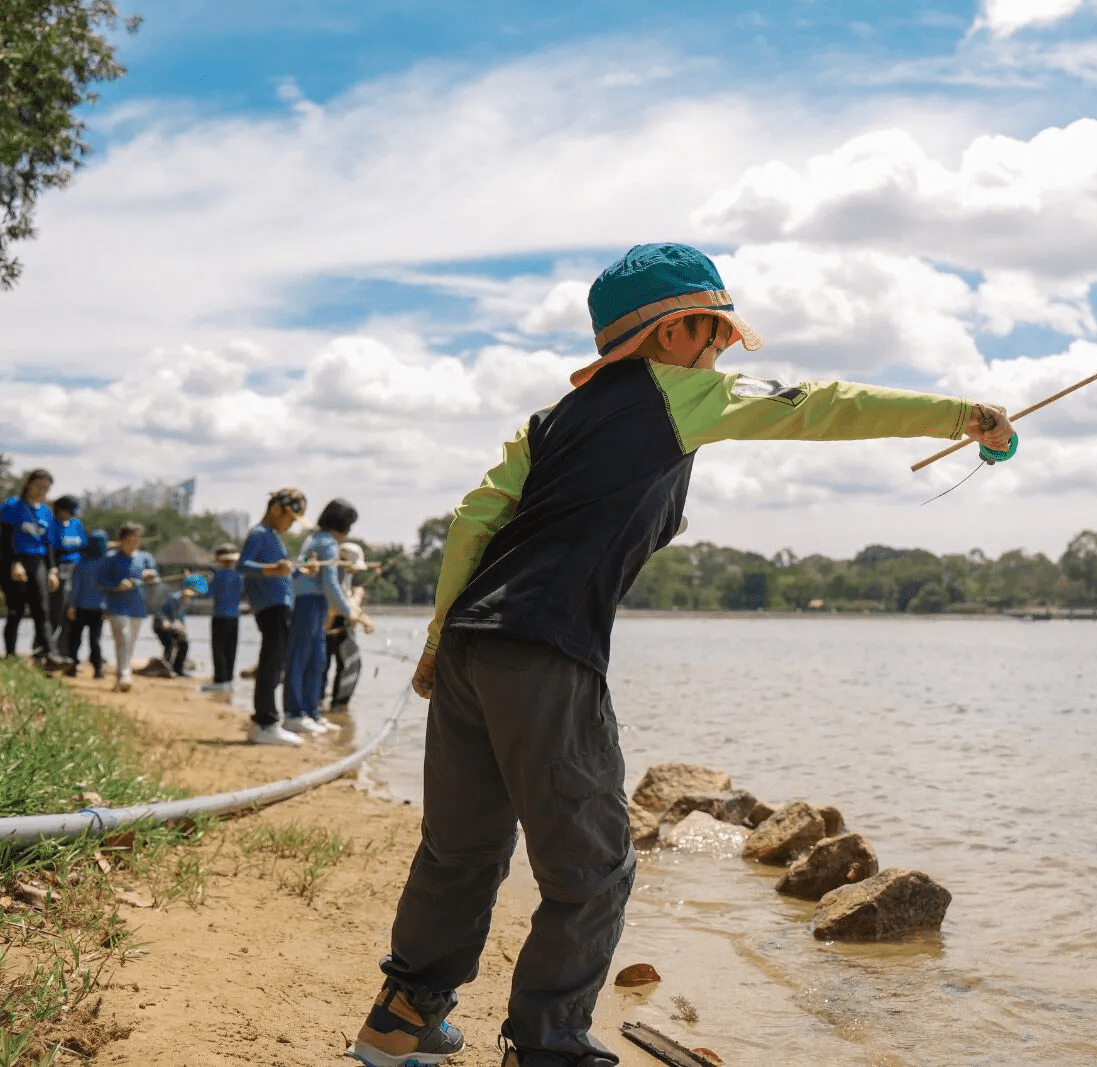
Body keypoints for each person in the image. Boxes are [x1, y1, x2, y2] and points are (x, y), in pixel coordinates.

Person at [348, 243, 1018, 1067]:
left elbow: (471, 522)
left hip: (468, 649)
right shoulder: (683, 393)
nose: (726, 349)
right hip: (547, 651)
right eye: (718, 332)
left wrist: (435, 638)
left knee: (461, 849)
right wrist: (961, 412)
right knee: (595, 868)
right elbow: (823, 404)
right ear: (673, 333)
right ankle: (547, 1046)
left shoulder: (545, 424)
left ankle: (402, 1019)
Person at [283, 498, 357, 735]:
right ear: (342, 524)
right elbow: (330, 583)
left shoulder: (314, 539)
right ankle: (294, 714)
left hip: (314, 603)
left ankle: (311, 713)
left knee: (317, 660)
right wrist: (349, 611)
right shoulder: (328, 544)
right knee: (301, 659)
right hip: (309, 602)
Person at [239, 488, 307, 745]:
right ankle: (264, 723)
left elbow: (283, 576)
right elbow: (242, 565)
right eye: (290, 518)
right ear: (276, 510)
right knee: (270, 663)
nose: (290, 524)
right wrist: (272, 568)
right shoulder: (259, 534)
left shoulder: (275, 538)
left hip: (281, 605)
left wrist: (301, 570)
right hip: (270, 607)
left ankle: (266, 721)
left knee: (276, 663)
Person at [2, 469, 60, 662]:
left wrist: (52, 569)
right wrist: (14, 563)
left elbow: (49, 543)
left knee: (42, 609)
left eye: (46, 488)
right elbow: (4, 537)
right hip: (15, 561)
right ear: (28, 483)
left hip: (38, 562)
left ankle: (48, 654)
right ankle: (10, 655)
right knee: (16, 610)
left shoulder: (46, 512)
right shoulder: (12, 506)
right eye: (38, 485)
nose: (41, 490)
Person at [99, 522, 159, 692]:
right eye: (131, 539)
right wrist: (118, 585)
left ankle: (122, 675)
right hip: (116, 605)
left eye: (138, 539)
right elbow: (102, 581)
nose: (134, 542)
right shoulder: (110, 558)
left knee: (130, 642)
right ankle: (125, 675)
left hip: (138, 606)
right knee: (123, 639)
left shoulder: (146, 558)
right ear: (122, 540)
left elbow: (155, 578)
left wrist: (150, 575)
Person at [322, 540, 374, 713]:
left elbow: (346, 601)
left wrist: (359, 611)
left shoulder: (344, 575)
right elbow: (340, 604)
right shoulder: (336, 573)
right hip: (332, 624)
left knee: (331, 665)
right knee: (347, 663)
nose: (354, 570)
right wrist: (363, 619)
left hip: (339, 623)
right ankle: (336, 705)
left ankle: (328, 704)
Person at [63, 529, 109, 678]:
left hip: (80, 606)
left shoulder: (81, 562)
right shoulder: (107, 563)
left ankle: (72, 667)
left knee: (75, 638)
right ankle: (97, 669)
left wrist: (71, 606)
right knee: (95, 640)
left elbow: (75, 587)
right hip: (99, 608)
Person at [48, 495, 87, 658]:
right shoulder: (52, 524)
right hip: (59, 571)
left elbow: (83, 545)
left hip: (76, 571)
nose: (70, 515)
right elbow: (51, 549)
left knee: (71, 616)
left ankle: (65, 652)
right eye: (68, 511)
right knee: (55, 613)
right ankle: (45, 651)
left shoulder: (76, 524)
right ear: (60, 510)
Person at [202, 543, 243, 694]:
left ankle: (220, 680)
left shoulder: (217, 576)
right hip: (235, 617)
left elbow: (208, 593)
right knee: (231, 648)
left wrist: (195, 581)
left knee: (218, 648)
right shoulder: (240, 576)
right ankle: (229, 680)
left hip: (220, 616)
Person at [152, 574, 207, 677]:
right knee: (170, 644)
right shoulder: (173, 598)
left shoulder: (185, 602)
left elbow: (180, 618)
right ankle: (166, 668)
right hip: (160, 624)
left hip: (173, 626)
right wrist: (164, 620)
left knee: (184, 644)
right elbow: (160, 611)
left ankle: (178, 669)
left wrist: (182, 628)